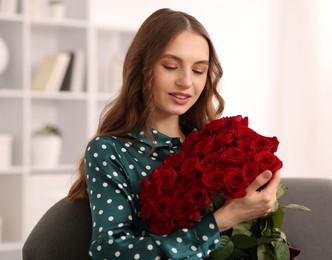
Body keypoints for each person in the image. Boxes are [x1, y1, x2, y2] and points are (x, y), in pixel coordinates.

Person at [68, 8, 281, 259]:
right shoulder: (110, 150)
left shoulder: (213, 144)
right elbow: (109, 251)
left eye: (199, 70)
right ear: (141, 68)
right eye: (171, 66)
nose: (186, 82)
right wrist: (218, 222)